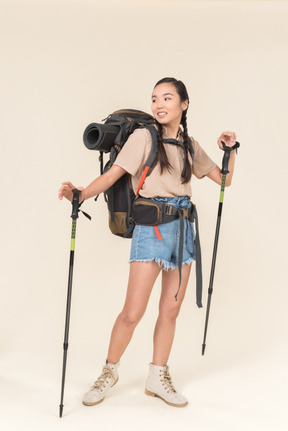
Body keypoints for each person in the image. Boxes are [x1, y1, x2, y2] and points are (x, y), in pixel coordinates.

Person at [58, 77, 237, 408]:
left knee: (170, 310)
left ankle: (157, 376)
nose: (159, 104)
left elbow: (224, 179)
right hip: (151, 229)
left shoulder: (189, 144)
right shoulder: (143, 137)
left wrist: (230, 150)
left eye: (167, 98)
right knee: (132, 312)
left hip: (183, 231)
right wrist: (81, 194)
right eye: (155, 98)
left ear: (184, 104)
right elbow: (113, 174)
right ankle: (109, 372)